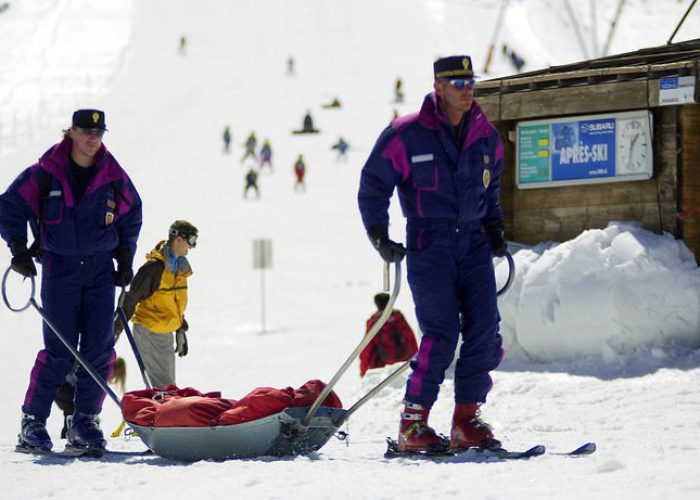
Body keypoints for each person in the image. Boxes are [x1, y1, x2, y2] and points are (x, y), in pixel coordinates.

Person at [357, 55, 507, 453]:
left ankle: (466, 420)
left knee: (484, 331)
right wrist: (378, 234)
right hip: (429, 242)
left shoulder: (485, 134)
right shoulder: (407, 134)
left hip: (473, 244)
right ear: (438, 86)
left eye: (470, 81)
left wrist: (493, 226)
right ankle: (413, 424)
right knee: (441, 334)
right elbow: (374, 183)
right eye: (457, 83)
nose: (466, 89)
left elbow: (491, 188)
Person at [0, 108, 143, 452]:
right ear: (72, 133)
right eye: (85, 131)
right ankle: (32, 422)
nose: (93, 138)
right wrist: (18, 249)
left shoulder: (113, 177)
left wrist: (125, 258)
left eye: (98, 132)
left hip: (98, 273)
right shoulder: (45, 173)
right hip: (59, 269)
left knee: (100, 350)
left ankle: (84, 422)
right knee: (60, 351)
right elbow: (9, 207)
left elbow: (131, 215)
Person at [113, 221, 197, 388]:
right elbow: (131, 298)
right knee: (163, 387)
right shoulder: (154, 268)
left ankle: (160, 411)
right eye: (191, 240)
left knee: (166, 387)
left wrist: (180, 327)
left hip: (164, 333)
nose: (192, 246)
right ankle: (158, 413)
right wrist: (116, 328)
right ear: (179, 239)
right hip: (149, 332)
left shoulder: (178, 268)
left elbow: (173, 302)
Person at [360, 293, 418, 377]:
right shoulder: (399, 318)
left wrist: (363, 372)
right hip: (403, 366)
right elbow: (410, 339)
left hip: (381, 370)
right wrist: (416, 363)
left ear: (377, 304)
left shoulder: (375, 322)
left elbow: (366, 348)